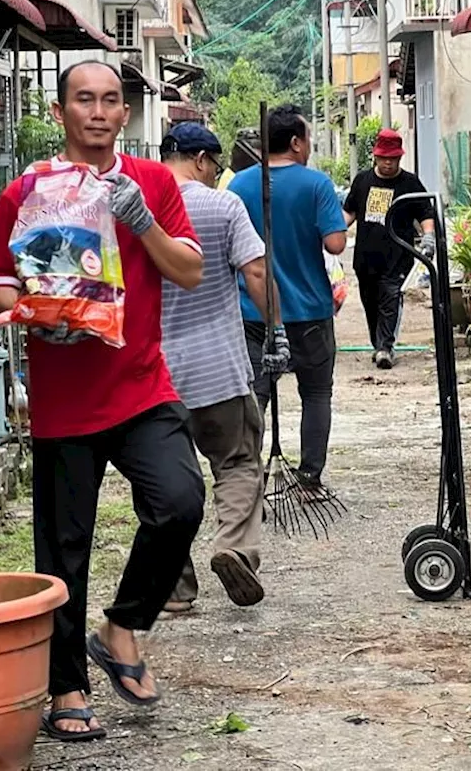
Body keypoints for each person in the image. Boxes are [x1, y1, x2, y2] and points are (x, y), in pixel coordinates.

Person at [0, 61, 206, 742]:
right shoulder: (26, 192)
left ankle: (121, 627)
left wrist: (141, 223)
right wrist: (34, 313)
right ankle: (66, 688)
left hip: (142, 385)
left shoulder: (155, 184)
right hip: (63, 399)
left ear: (125, 113)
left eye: (112, 100)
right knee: (64, 549)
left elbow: (190, 271)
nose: (100, 111)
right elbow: (0, 283)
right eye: (85, 99)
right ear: (61, 112)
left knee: (180, 502)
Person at [158, 123, 290, 614]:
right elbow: (255, 270)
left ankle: (174, 588)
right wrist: (276, 328)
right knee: (236, 462)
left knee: (167, 479)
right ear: (198, 159)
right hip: (218, 368)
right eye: (214, 164)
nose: (215, 174)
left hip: (154, 375)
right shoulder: (223, 206)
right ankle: (233, 547)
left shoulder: (137, 208)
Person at [228, 104, 346, 488]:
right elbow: (335, 243)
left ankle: (248, 482)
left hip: (252, 309)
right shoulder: (316, 185)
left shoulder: (239, 186)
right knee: (315, 393)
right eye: (308, 138)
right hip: (308, 308)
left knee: (254, 397)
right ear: (296, 142)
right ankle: (310, 477)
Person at [342, 128, 435, 370]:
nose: (387, 163)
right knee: (370, 303)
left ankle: (385, 347)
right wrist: (332, 232)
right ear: (375, 156)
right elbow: (349, 211)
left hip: (397, 257)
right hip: (366, 258)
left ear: (399, 158)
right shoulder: (362, 181)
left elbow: (425, 212)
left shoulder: (410, 183)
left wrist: (429, 236)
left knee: (391, 300)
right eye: (384, 158)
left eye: (392, 159)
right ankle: (378, 343)